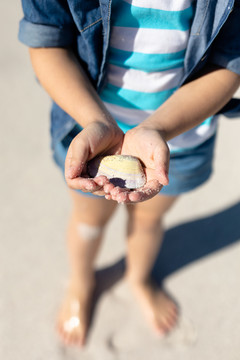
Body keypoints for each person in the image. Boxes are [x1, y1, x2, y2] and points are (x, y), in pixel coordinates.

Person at [19, 0, 240, 347]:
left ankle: (137, 278)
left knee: (149, 221)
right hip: (88, 135)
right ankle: (81, 280)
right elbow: (47, 41)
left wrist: (159, 128)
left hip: (179, 137)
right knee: (88, 219)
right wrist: (97, 121)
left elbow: (230, 64)